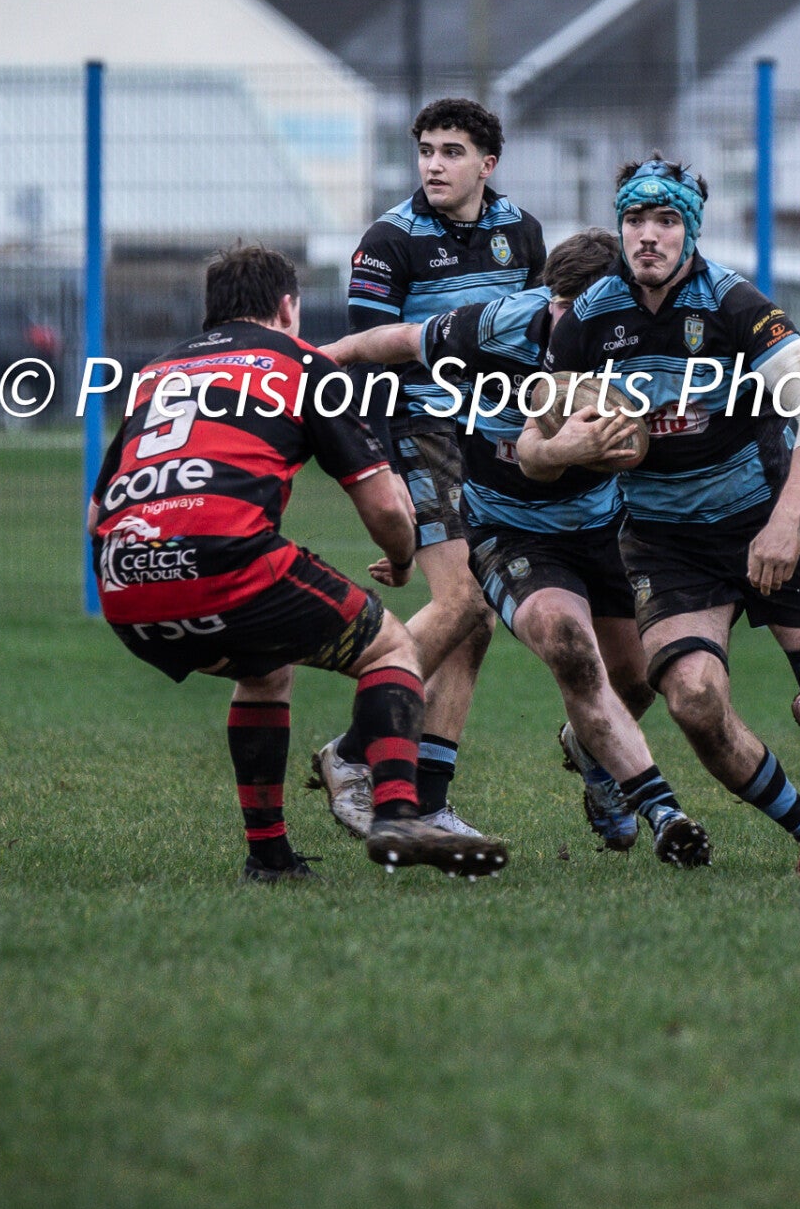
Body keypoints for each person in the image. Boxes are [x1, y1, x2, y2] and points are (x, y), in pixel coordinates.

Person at [89, 241, 509, 881]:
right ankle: (399, 812)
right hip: (224, 559)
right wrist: (399, 561)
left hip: (124, 584)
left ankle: (270, 857)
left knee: (265, 670)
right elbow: (388, 509)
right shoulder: (304, 364)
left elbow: (95, 515)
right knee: (391, 649)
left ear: (214, 313)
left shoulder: (155, 374)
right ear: (288, 307)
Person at [325, 227, 713, 864]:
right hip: (510, 527)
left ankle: (593, 754)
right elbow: (394, 340)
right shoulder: (497, 324)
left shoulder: (647, 342)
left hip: (606, 526)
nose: (563, 323)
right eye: (556, 305)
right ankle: (664, 811)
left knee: (641, 677)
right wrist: (318, 360)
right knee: (569, 650)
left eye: (578, 311)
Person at [544, 160, 800, 875]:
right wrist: (566, 444)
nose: (647, 236)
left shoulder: (736, 306)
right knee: (694, 699)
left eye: (665, 221)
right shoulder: (585, 320)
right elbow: (542, 431)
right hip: (666, 542)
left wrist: (786, 521)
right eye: (635, 221)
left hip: (763, 515)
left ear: (690, 230)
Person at [313, 98, 547, 841]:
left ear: (488, 162)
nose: (435, 164)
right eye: (425, 150)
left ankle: (431, 796)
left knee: (475, 623)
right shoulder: (389, 240)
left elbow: (538, 340)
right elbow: (365, 369)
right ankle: (352, 750)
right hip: (423, 428)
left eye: (451, 151)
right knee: (464, 603)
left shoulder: (522, 232)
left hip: (497, 433)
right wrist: (386, 477)